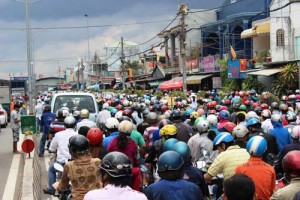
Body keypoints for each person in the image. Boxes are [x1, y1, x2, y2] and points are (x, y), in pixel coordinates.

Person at [53, 135, 101, 200]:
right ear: (88, 148)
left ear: (71, 150)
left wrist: (57, 186)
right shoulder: (98, 162)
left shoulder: (69, 166)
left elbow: (63, 186)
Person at [43, 116, 78, 195]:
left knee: (51, 170)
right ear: (74, 125)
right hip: (75, 162)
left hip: (61, 162)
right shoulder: (78, 134)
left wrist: (52, 150)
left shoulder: (58, 134)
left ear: (64, 125)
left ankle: (51, 189)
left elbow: (52, 148)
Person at [235, 136, 276, 200]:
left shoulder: (240, 168)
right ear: (265, 150)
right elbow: (272, 191)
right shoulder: (270, 169)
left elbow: (237, 191)